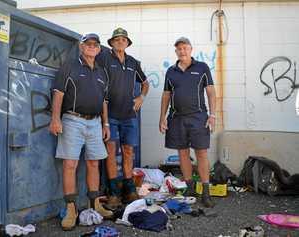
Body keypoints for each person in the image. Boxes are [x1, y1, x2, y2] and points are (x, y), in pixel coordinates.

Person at [49, 33, 112, 230]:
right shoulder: (70, 66)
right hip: (72, 120)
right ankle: (70, 210)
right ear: (81, 47)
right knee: (70, 164)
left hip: (94, 123)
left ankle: (95, 204)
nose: (92, 47)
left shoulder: (102, 72)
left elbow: (103, 101)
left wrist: (106, 124)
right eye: (88, 44)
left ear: (99, 49)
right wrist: (55, 119)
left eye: (95, 44)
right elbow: (58, 93)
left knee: (94, 163)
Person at [159, 37, 216, 208]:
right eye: (179, 49)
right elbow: (166, 96)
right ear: (176, 51)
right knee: (182, 153)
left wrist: (213, 115)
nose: (182, 51)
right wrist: (162, 118)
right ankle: (190, 187)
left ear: (191, 49)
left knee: (201, 153)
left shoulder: (202, 68)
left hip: (199, 117)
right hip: (177, 118)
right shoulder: (171, 71)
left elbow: (211, 93)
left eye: (185, 48)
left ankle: (206, 192)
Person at [97, 27, 149, 209]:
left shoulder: (133, 62)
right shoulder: (103, 58)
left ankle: (129, 189)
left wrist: (141, 97)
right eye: (117, 39)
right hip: (109, 114)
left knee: (128, 152)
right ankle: (113, 192)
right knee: (110, 153)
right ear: (111, 43)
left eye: (123, 40)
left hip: (129, 116)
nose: (120, 42)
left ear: (127, 43)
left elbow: (145, 83)